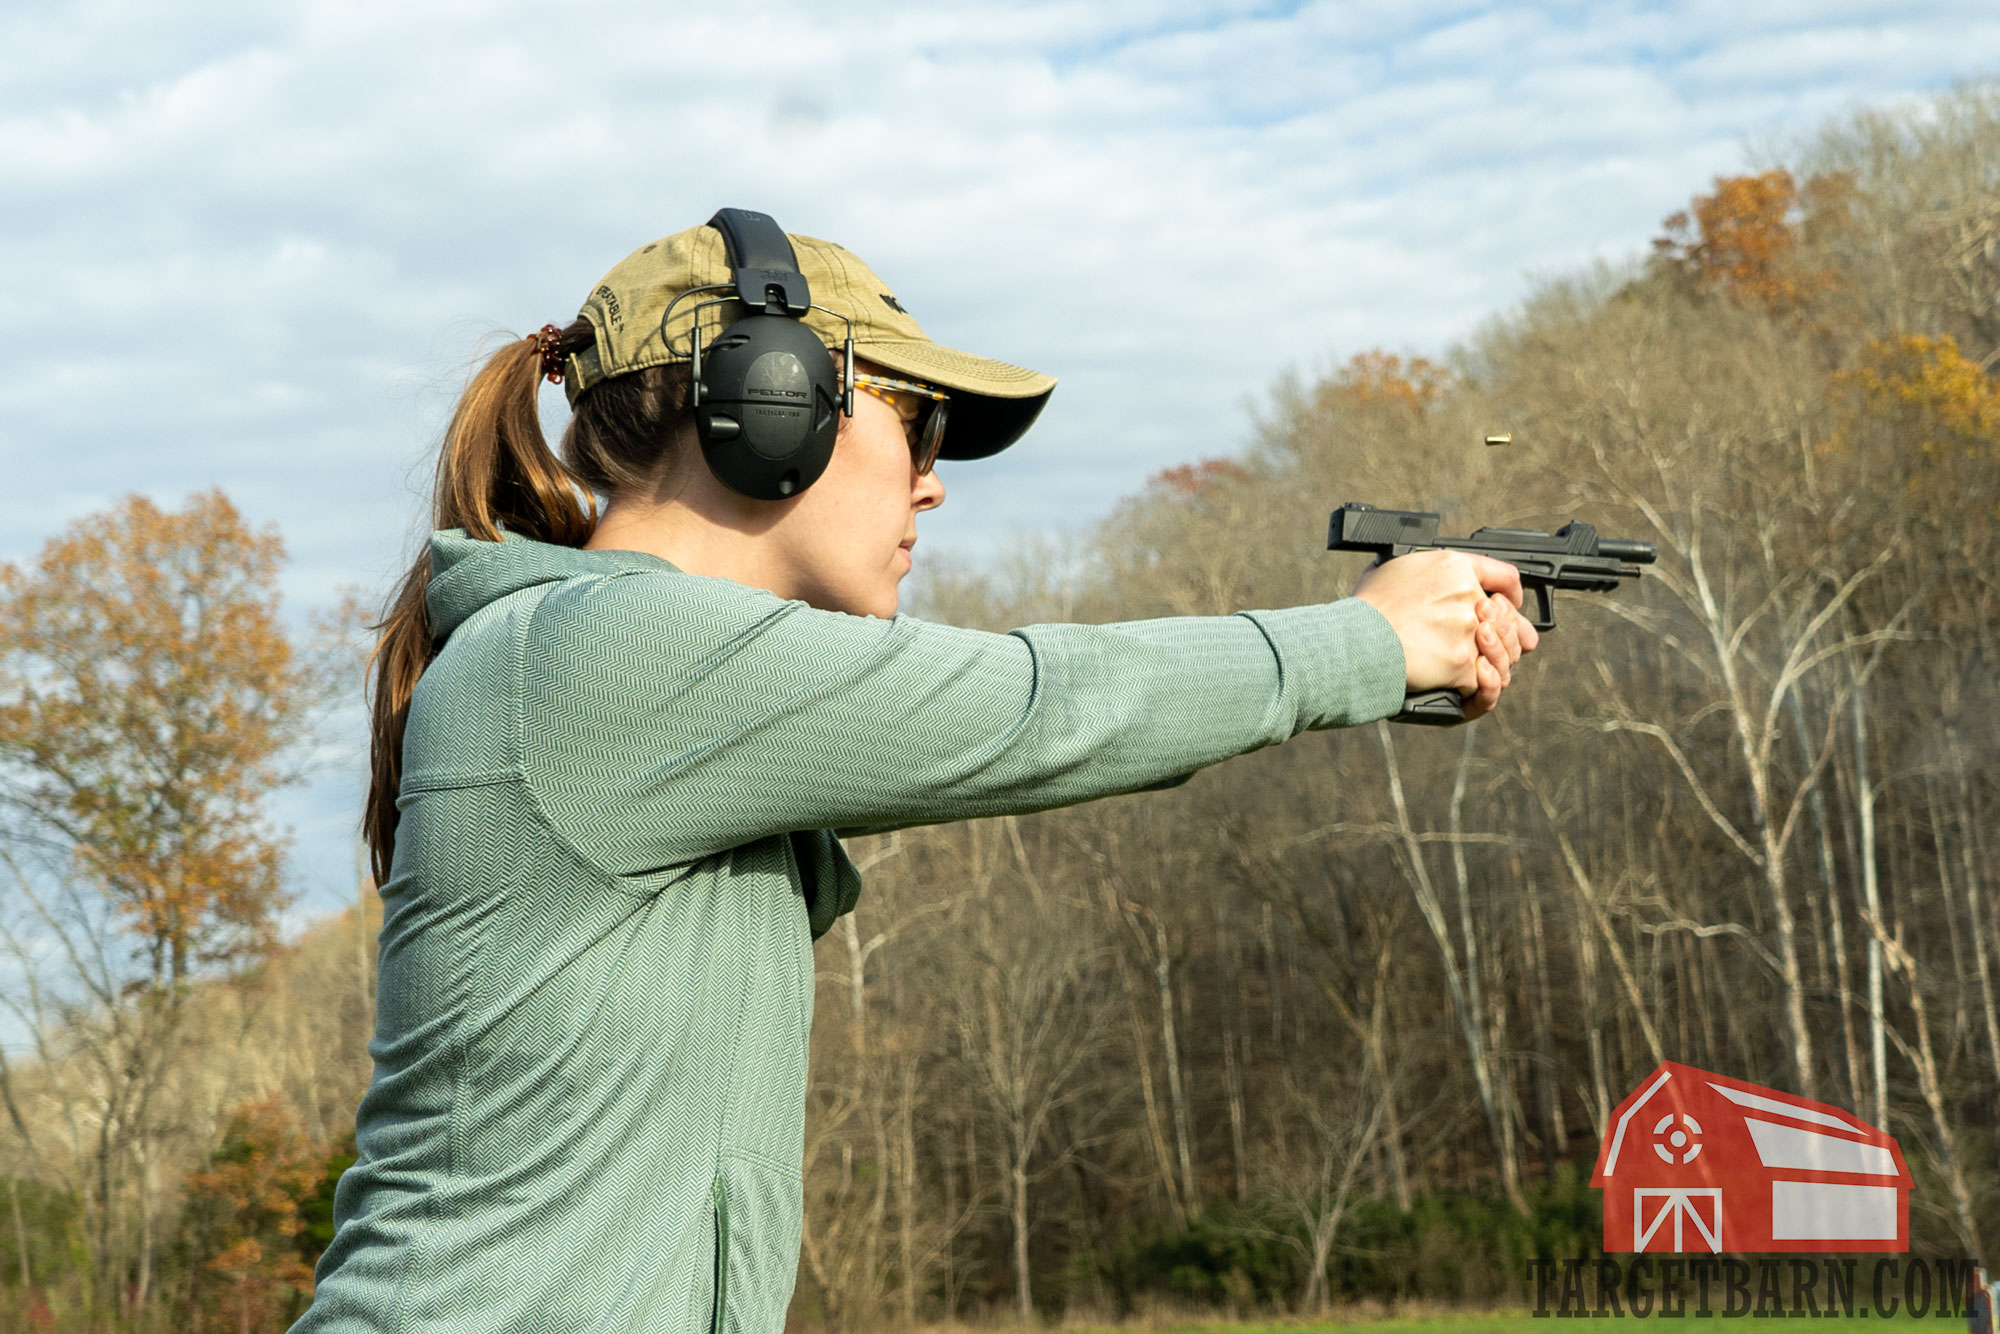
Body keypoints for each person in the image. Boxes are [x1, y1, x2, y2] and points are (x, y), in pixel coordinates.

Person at [293, 216, 1533, 1333]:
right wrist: (1368, 640)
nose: (933, 481)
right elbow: (1056, 711)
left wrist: (1383, 657)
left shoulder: (615, 673)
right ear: (770, 402)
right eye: (917, 424)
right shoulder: (601, 653)